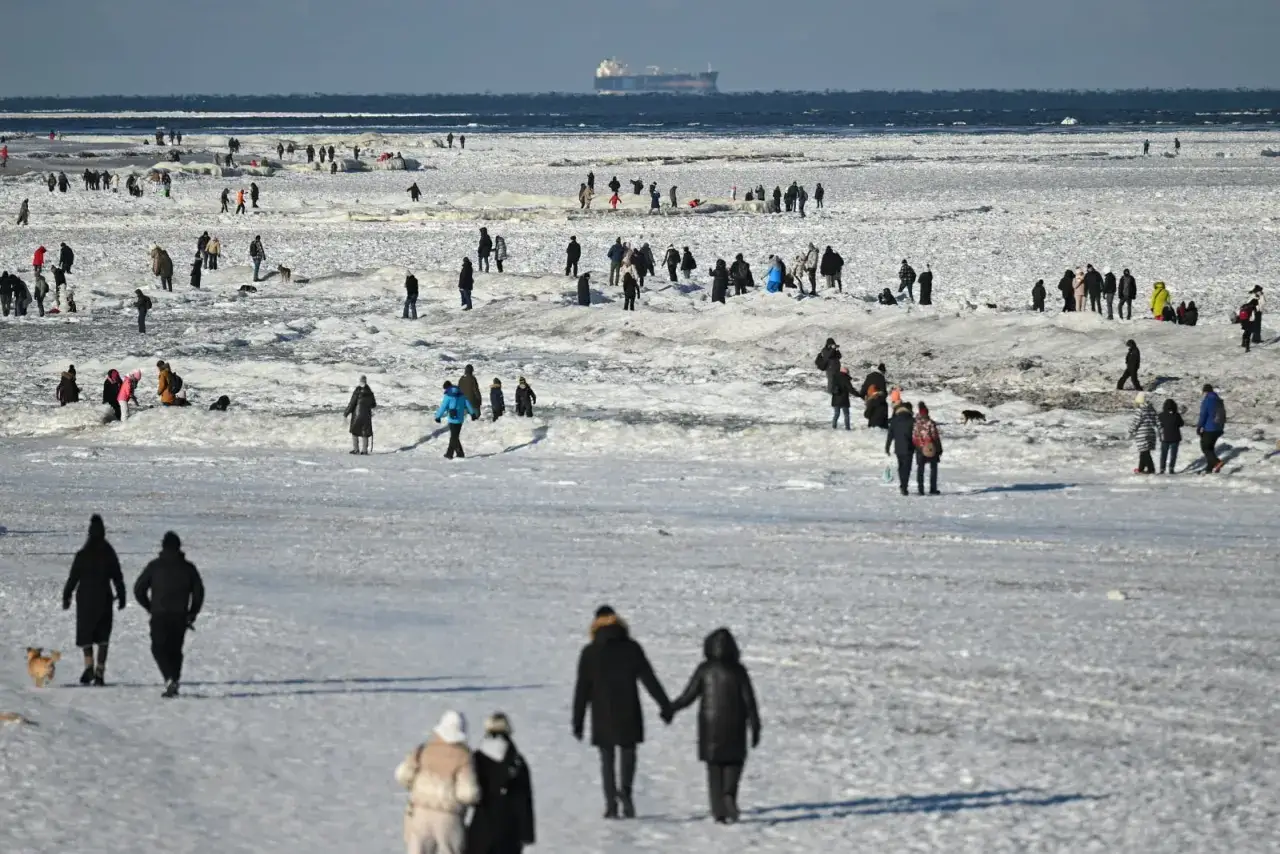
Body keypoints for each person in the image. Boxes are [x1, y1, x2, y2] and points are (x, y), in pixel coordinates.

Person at [573, 605, 671, 819]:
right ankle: (625, 793)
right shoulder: (632, 648)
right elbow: (649, 679)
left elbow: (582, 689)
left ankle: (610, 804)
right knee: (628, 753)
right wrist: (665, 705)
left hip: (601, 712)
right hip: (628, 710)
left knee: (606, 759)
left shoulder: (590, 652)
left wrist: (577, 721)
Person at [665, 627, 761, 824]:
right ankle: (729, 796)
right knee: (734, 763)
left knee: (714, 767)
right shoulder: (738, 670)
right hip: (735, 725)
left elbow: (688, 696)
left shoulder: (704, 669)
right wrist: (755, 726)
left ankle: (719, 811)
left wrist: (671, 708)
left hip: (710, 726)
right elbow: (749, 701)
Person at [396, 710, 480, 854]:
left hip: (419, 814)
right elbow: (467, 793)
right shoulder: (464, 757)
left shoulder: (422, 750)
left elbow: (402, 775)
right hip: (449, 817)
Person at [134, 531, 204, 698]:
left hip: (160, 614)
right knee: (175, 650)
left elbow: (138, 589)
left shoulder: (155, 566)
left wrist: (149, 606)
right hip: (180, 615)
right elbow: (199, 592)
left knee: (158, 648)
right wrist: (192, 612)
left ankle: (169, 679)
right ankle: (174, 680)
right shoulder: (188, 568)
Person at [62, 515, 126, 686]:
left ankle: (89, 665)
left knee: (86, 634)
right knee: (103, 637)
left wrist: (66, 596)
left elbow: (73, 578)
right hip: (104, 598)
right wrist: (122, 596)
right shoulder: (109, 552)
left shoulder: (83, 553)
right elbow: (118, 577)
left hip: (85, 599)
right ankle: (99, 672)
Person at [466, 713, 536, 854]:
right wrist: (527, 834)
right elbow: (524, 799)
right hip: (509, 833)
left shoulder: (476, 759)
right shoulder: (517, 761)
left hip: (480, 829)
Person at [435, 381, 478, 460]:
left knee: (454, 437)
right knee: (455, 436)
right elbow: (467, 404)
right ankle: (450, 453)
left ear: (446, 388)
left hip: (452, 419)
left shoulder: (448, 396)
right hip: (460, 419)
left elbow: (443, 406)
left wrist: (438, 417)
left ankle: (458, 454)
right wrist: (473, 414)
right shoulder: (461, 394)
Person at [885, 400, 916, 496]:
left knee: (901, 466)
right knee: (907, 468)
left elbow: (890, 435)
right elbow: (916, 435)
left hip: (898, 448)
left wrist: (887, 447)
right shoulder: (912, 420)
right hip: (909, 448)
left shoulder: (894, 420)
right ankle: (904, 486)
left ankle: (902, 484)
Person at [912, 402, 942, 495]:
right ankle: (933, 488)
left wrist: (916, 445)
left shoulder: (916, 424)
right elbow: (935, 436)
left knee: (920, 469)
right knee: (933, 468)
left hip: (919, 448)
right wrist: (939, 447)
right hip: (931, 447)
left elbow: (914, 436)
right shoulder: (930, 423)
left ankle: (920, 489)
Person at [1196, 384, 1226, 473]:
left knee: (1205, 447)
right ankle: (1209, 469)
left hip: (1210, 428)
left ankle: (1217, 462)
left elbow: (1203, 415)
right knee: (1210, 448)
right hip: (1219, 428)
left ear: (1205, 391)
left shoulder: (1207, 400)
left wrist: (1199, 426)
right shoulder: (1218, 400)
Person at [344, 376, 376, 455]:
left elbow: (352, 403)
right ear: (366, 381)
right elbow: (373, 404)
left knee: (354, 431)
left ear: (360, 381)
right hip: (367, 415)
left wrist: (346, 413)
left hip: (357, 415)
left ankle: (356, 449)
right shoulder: (369, 391)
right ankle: (364, 451)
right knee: (365, 432)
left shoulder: (357, 390)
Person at [1129, 393, 1158, 474]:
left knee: (1145, 452)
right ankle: (1141, 468)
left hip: (1142, 433)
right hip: (1151, 433)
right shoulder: (1152, 409)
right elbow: (1157, 420)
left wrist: (1131, 430)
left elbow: (1136, 421)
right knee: (1145, 451)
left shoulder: (1140, 410)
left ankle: (1151, 469)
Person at [1158, 398, 1183, 474]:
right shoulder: (1177, 415)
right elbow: (1181, 424)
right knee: (1173, 454)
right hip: (1175, 437)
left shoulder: (1161, 415)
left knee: (1163, 454)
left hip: (1165, 437)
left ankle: (1162, 468)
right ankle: (1171, 468)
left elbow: (1159, 425)